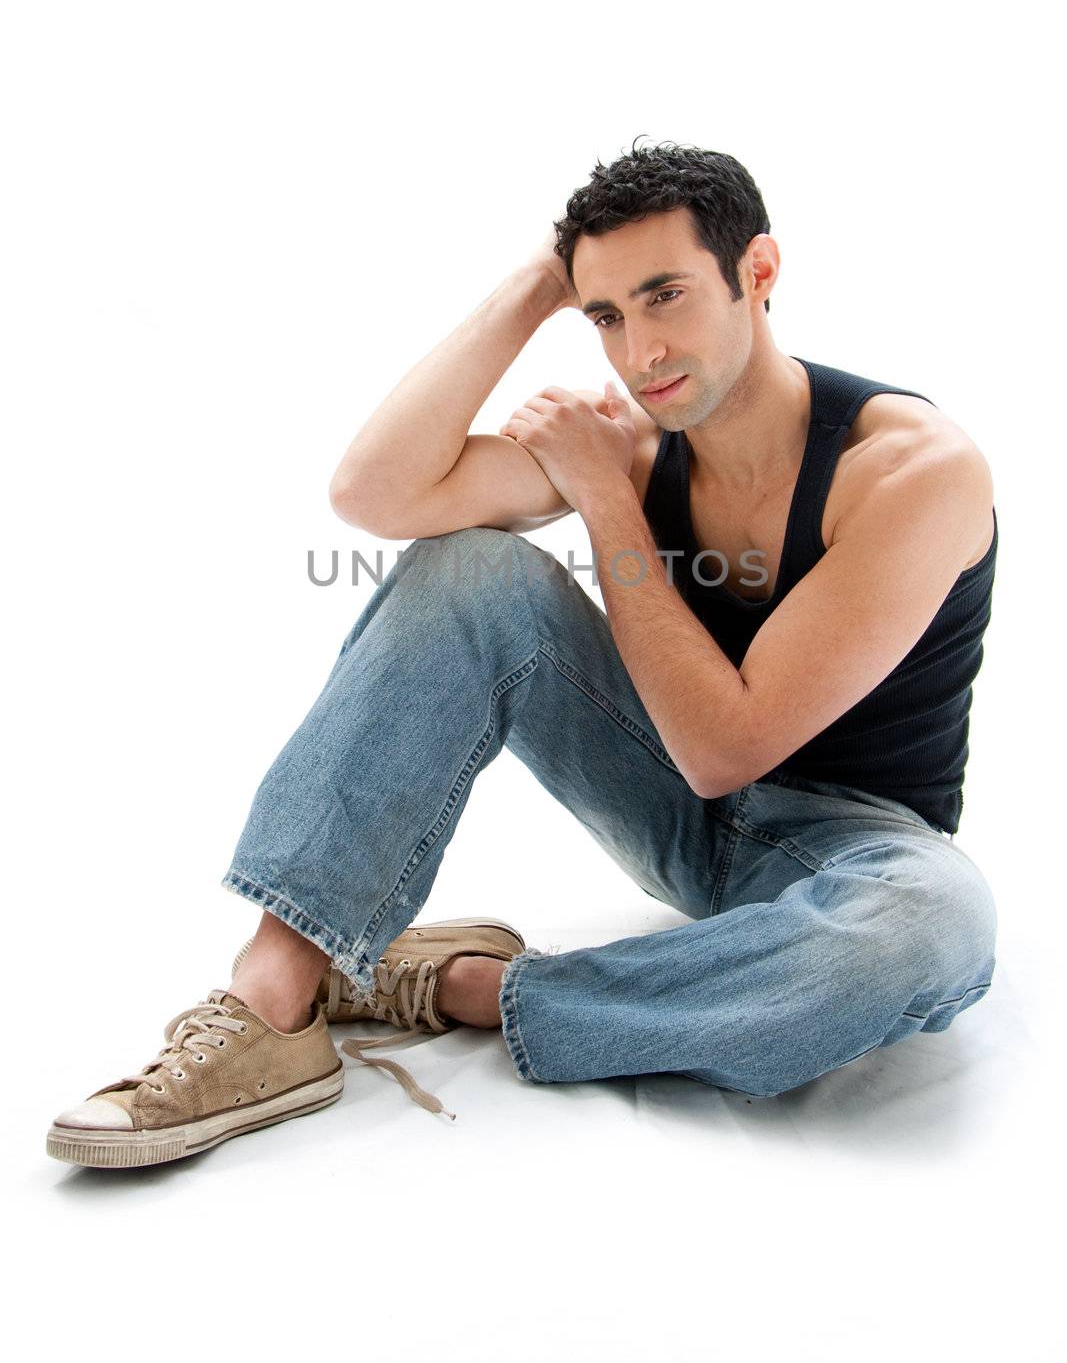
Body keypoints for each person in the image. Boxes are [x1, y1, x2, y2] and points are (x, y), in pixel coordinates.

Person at [47, 140, 999, 1169]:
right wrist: (537, 283)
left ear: (756, 273)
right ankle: (274, 996)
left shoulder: (909, 470)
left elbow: (730, 744)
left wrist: (599, 499)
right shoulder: (632, 438)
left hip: (854, 843)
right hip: (669, 804)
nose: (640, 351)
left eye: (665, 294)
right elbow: (376, 495)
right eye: (605, 316)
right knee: (467, 570)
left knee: (929, 927)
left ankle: (462, 984)